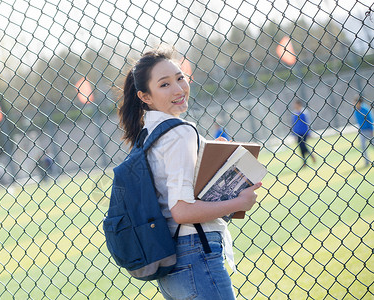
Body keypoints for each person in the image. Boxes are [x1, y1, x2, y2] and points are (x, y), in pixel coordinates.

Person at [118, 46, 261, 299]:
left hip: (172, 263)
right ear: (145, 96)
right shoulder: (179, 132)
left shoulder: (148, 136)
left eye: (180, 78)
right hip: (195, 254)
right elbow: (181, 210)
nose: (178, 89)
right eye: (164, 84)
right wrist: (239, 201)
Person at [291, 98, 316, 167]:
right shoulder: (294, 114)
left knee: (303, 146)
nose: (294, 106)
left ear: (299, 104)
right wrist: (293, 134)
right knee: (300, 147)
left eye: (295, 104)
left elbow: (307, 123)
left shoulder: (304, 113)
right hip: (297, 133)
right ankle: (305, 161)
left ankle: (310, 156)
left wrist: (309, 132)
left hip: (304, 132)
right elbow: (294, 124)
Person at [353, 96, 373, 167]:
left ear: (359, 102)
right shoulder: (356, 110)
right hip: (362, 131)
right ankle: (366, 161)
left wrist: (372, 130)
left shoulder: (365, 109)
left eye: (355, 102)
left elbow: (370, 119)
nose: (354, 103)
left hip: (369, 130)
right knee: (363, 146)